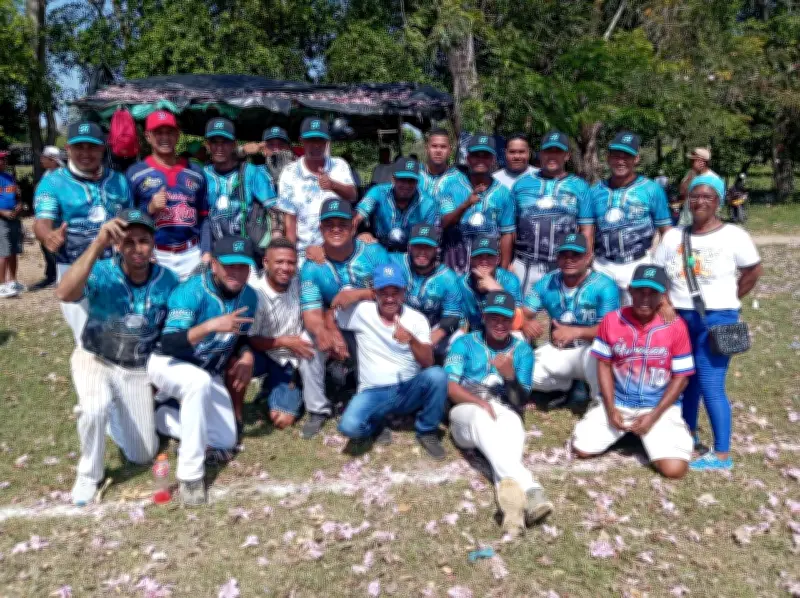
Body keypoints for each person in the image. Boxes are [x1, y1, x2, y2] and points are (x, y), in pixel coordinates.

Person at [55, 210, 179, 505]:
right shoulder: (102, 270)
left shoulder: (168, 279)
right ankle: (89, 474)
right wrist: (98, 244)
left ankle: (114, 416)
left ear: (153, 244)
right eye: (129, 242)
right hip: (96, 357)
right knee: (93, 409)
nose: (137, 248)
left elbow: (173, 329)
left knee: (143, 455)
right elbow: (64, 293)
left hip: (136, 368)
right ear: (118, 245)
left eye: (144, 241)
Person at [653, 174, 762, 471]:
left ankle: (722, 453)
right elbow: (658, 272)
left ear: (718, 202)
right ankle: (688, 434)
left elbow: (753, 270)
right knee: (685, 379)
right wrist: (664, 301)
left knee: (711, 383)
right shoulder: (674, 236)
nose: (700, 201)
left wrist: (731, 297)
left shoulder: (734, 235)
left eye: (708, 197)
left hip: (717, 318)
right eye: (695, 196)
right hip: (680, 317)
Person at [148, 236, 259, 506]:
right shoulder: (191, 291)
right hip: (168, 363)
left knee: (225, 440)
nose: (236, 272)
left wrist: (247, 356)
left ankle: (161, 416)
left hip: (207, 370)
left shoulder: (249, 296)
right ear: (214, 265)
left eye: (242, 266)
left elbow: (240, 337)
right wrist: (210, 326)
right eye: (229, 266)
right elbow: (169, 343)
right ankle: (190, 476)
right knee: (196, 382)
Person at [571, 265, 695, 479]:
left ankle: (642, 432)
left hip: (656, 407)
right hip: (620, 402)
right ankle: (627, 432)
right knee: (582, 448)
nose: (645, 299)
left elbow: (681, 377)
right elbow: (604, 365)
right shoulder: (612, 320)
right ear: (630, 290)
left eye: (652, 293)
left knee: (674, 470)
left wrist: (653, 416)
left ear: (663, 296)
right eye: (640, 291)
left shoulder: (675, 326)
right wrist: (610, 408)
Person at [445, 290, 551, 535]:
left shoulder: (522, 350)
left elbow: (519, 401)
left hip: (504, 409)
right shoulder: (464, 343)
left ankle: (513, 512)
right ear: (484, 317)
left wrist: (510, 376)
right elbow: (450, 387)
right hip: (466, 413)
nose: (500, 324)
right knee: (480, 417)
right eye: (494, 318)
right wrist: (480, 403)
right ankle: (531, 488)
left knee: (512, 421)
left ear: (513, 320)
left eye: (505, 319)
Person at [34, 121, 133, 344]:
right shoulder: (53, 182)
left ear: (102, 149)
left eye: (92, 147)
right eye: (79, 147)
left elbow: (130, 218)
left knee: (122, 336)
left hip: (117, 269)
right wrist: (48, 235)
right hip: (76, 269)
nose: (86, 153)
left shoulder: (119, 181)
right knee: (87, 340)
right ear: (68, 149)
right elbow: (42, 221)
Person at [298, 198, 390, 438]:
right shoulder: (312, 266)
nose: (336, 229)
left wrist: (359, 294)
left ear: (353, 226)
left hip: (374, 323)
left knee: (366, 313)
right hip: (335, 324)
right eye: (329, 225)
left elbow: (394, 295)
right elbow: (311, 313)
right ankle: (317, 409)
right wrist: (325, 332)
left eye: (342, 224)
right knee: (307, 339)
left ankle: (373, 408)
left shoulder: (373, 252)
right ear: (321, 229)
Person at [336, 263, 448, 458]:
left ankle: (427, 430)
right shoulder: (362, 312)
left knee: (437, 375)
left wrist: (411, 339)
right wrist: (334, 335)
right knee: (349, 427)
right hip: (373, 391)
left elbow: (428, 362)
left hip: (407, 389)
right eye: (383, 293)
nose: (389, 299)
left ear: (404, 292)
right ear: (374, 293)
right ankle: (376, 424)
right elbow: (331, 311)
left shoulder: (416, 319)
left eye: (395, 293)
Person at [227, 237, 314, 431]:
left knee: (282, 419)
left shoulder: (299, 281)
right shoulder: (255, 295)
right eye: (279, 262)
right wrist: (284, 341)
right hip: (265, 352)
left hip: (289, 359)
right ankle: (235, 414)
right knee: (235, 361)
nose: (286, 268)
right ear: (266, 263)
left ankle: (275, 387)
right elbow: (251, 338)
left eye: (291, 263)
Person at [522, 233, 619, 402]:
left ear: (588, 258)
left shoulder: (604, 285)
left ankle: (600, 402)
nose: (569, 260)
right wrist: (524, 322)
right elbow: (524, 312)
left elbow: (610, 330)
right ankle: (563, 386)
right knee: (521, 372)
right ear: (557, 258)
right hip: (560, 350)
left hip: (590, 351)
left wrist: (576, 332)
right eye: (564, 255)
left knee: (603, 353)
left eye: (576, 255)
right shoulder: (547, 282)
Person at [580, 131, 671, 305]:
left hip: (638, 264)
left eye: (626, 156)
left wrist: (664, 265)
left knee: (636, 315)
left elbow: (666, 231)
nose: (620, 161)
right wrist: (586, 261)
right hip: (602, 265)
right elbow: (587, 230)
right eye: (616, 156)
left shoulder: (652, 189)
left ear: (636, 159)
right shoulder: (594, 191)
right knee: (602, 316)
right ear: (608, 158)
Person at [126, 110, 209, 281]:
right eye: (159, 132)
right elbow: (127, 219)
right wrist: (149, 208)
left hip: (191, 253)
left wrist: (206, 251)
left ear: (177, 135)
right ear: (148, 136)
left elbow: (204, 217)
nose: (165, 137)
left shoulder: (195, 172)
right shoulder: (136, 173)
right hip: (155, 254)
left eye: (170, 132)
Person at [511, 131, 591, 296]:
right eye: (548, 151)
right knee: (520, 310)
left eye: (558, 152)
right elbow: (510, 227)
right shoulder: (522, 184)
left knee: (561, 310)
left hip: (563, 265)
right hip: (524, 264)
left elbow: (587, 230)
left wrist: (584, 263)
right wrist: (508, 263)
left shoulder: (580, 186)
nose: (552, 156)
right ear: (540, 154)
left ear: (567, 156)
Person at [277, 117, 357, 264]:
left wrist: (333, 185)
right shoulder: (289, 173)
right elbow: (290, 221)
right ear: (301, 141)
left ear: (327, 142)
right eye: (310, 140)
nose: (316, 145)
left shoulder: (339, 166)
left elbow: (352, 195)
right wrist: (291, 258)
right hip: (305, 252)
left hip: (340, 248)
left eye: (320, 140)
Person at [438, 134, 515, 274]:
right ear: (468, 158)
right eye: (476, 155)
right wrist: (465, 205)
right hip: (454, 267)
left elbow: (506, 234)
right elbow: (444, 223)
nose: (480, 160)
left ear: (493, 159)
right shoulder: (450, 185)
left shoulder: (503, 193)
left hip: (487, 268)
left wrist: (503, 272)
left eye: (486, 156)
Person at [202, 118, 276, 248]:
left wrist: (276, 240)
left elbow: (274, 208)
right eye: (214, 142)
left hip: (247, 248)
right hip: (214, 249)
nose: (219, 147)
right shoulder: (202, 175)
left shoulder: (250, 172)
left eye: (225, 142)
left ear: (234, 144)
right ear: (207, 145)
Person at [394, 224, 463, 360]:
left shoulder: (448, 277)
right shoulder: (395, 262)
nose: (422, 252)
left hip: (432, 329)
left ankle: (449, 370)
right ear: (409, 247)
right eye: (417, 246)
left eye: (427, 247)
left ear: (436, 249)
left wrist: (431, 339)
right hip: (399, 324)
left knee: (459, 339)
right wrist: (364, 236)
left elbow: (453, 315)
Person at [354, 157, 438, 252]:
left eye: (411, 181)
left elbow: (430, 237)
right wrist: (361, 233)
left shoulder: (428, 204)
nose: (406, 185)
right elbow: (357, 217)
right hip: (379, 247)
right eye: (402, 180)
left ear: (417, 182)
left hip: (412, 251)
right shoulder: (378, 192)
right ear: (393, 179)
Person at [459, 236, 521, 334]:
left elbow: (518, 321)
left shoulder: (510, 280)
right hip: (475, 333)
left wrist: (498, 290)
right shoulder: (462, 283)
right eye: (479, 256)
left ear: (498, 259)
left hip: (503, 332)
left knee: (518, 335)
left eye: (489, 256)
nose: (484, 261)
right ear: (471, 259)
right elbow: (459, 322)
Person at [32, 146, 64, 289]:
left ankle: (58, 276)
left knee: (55, 246)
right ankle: (51, 274)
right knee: (46, 246)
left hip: (56, 219)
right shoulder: (47, 174)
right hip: (44, 217)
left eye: (44, 157)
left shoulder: (61, 176)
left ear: (53, 160)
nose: (41, 159)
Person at [0, 150, 23, 298]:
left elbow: (17, 196)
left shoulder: (9, 177)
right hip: (1, 219)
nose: (3, 162)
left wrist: (19, 205)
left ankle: (12, 281)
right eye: (1, 159)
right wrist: (3, 212)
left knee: (14, 250)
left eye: (4, 159)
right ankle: (2, 285)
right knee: (3, 252)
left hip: (14, 218)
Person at [419, 128, 459, 197]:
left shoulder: (458, 179)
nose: (438, 151)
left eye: (443, 147)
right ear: (427, 149)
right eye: (434, 146)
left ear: (449, 150)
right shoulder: (415, 175)